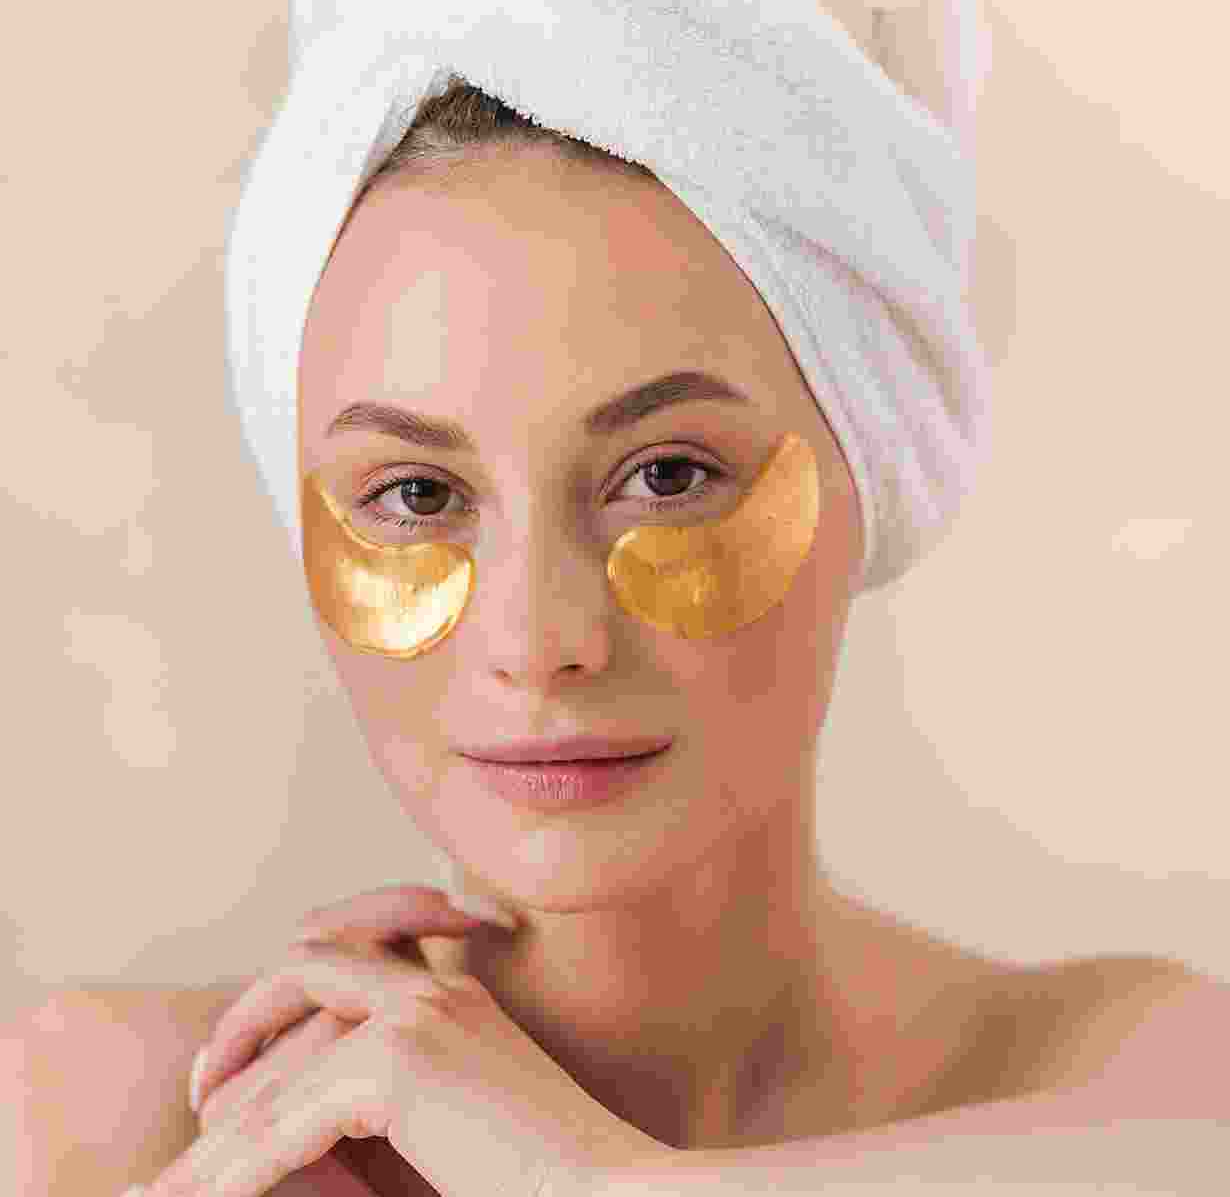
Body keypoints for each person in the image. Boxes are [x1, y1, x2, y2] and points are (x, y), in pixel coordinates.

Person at [6, 74, 1212, 1197]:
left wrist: (597, 1182)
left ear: (873, 469)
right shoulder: (126, 1121)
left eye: (668, 476)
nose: (538, 639)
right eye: (417, 495)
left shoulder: (1149, 1089)